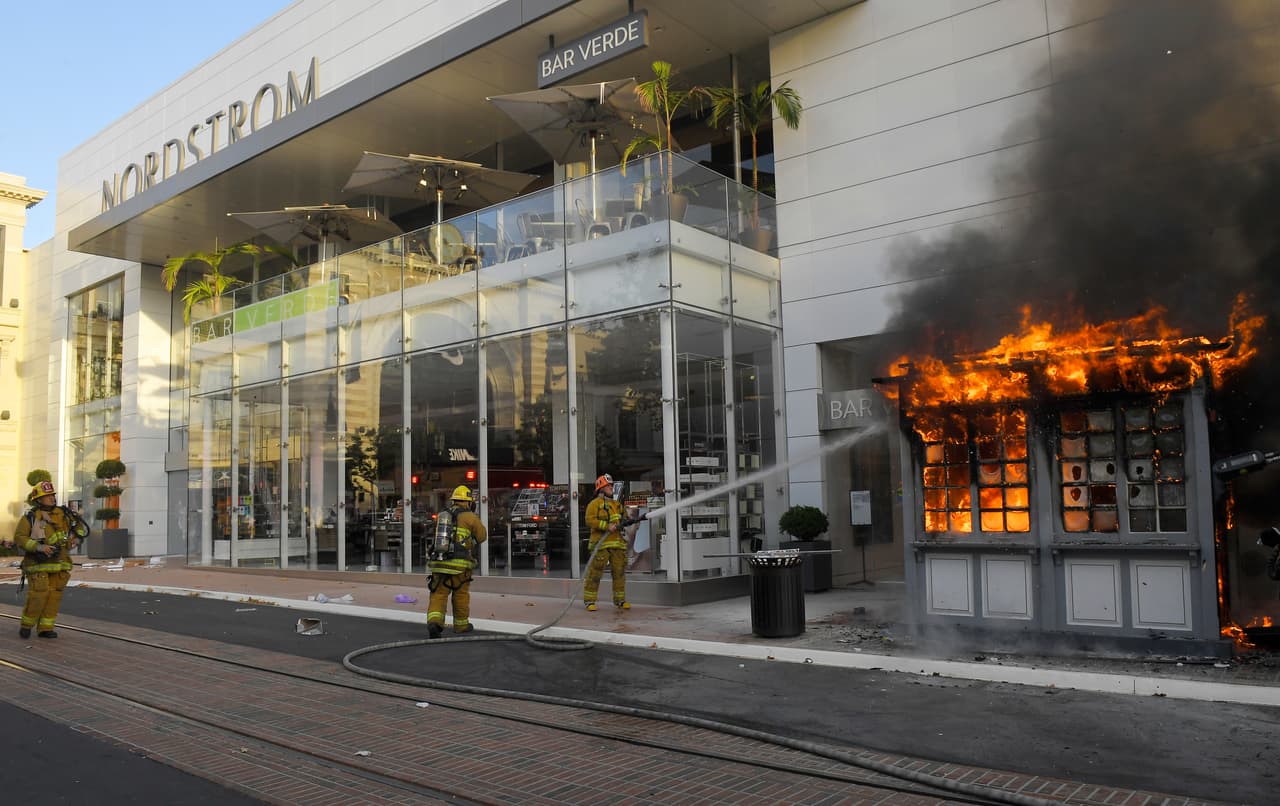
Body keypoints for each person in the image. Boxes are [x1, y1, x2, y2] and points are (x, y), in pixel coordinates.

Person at [4, 480, 90, 638]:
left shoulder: (64, 514)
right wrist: (39, 547)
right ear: (38, 499)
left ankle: (45, 628)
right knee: (38, 595)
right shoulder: (30, 517)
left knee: (54, 597)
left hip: (60, 563)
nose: (52, 498)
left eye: (52, 495)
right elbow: (20, 538)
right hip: (38, 564)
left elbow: (79, 527)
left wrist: (76, 538)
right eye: (47, 496)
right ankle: (26, 626)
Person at [426, 485, 487, 639]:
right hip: (460, 566)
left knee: (438, 594)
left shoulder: (442, 515)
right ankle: (461, 626)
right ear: (468, 502)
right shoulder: (471, 517)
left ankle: (434, 622)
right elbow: (482, 536)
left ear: (454, 500)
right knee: (460, 595)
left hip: (440, 563)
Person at [583, 474, 630, 611]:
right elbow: (589, 520)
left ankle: (620, 600)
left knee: (619, 573)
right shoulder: (594, 504)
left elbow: (624, 518)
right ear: (601, 488)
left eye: (611, 485)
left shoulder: (617, 505)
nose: (611, 488)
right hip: (600, 545)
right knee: (595, 573)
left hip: (617, 544)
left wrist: (626, 521)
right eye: (608, 486)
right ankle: (589, 601)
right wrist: (606, 526)